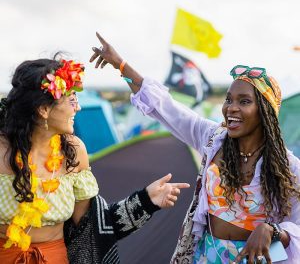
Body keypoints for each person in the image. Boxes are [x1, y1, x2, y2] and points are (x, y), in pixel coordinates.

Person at [90, 32, 300, 264]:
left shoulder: (288, 167)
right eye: (228, 99)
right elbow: (166, 108)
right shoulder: (213, 139)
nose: (231, 108)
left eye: (244, 101)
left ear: (266, 112)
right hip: (206, 255)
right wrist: (121, 65)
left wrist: (272, 230)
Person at [0, 57, 190, 263]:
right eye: (71, 100)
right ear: (44, 109)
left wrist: (146, 200)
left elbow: (93, 228)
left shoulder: (73, 151)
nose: (78, 108)